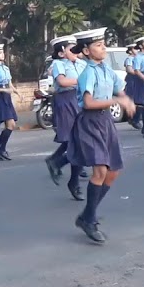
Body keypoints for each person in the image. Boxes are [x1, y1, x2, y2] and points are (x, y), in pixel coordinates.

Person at [70, 28, 134, 242]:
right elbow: (88, 103)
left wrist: (127, 99)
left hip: (106, 121)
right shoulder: (87, 73)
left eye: (103, 43)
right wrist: (117, 102)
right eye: (98, 45)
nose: (103, 47)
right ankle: (89, 219)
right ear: (87, 51)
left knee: (113, 171)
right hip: (90, 122)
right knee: (100, 169)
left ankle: (87, 215)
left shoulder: (107, 69)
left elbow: (119, 89)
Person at [44, 34, 85, 200]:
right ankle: (62, 168)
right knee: (75, 141)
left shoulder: (81, 63)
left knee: (79, 141)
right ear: (61, 52)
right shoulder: (58, 64)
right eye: (71, 49)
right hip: (66, 101)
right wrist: (82, 80)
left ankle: (57, 163)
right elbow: (62, 82)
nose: (75, 51)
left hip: (80, 100)